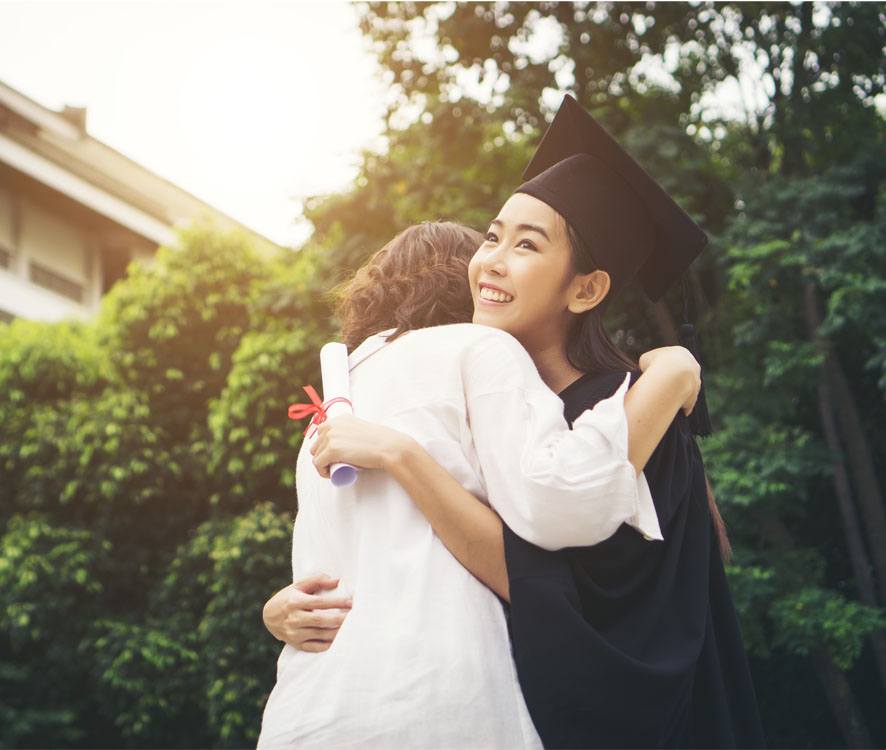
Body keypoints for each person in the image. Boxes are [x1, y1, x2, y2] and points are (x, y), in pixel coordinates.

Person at [295, 95, 765, 748]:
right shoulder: (487, 399)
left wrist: (402, 456)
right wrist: (293, 609)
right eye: (492, 236)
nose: (491, 259)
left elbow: (566, 603)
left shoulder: (630, 413)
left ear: (586, 289)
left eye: (526, 245)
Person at [257, 220, 701, 748]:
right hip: (434, 697)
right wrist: (669, 374)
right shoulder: (478, 348)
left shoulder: (328, 415)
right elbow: (556, 500)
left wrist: (273, 612)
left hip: (307, 713)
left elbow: (324, 579)